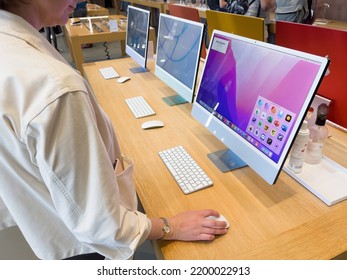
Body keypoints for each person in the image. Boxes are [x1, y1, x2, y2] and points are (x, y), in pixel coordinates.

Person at [0, 0, 228, 260]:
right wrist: (170, 226)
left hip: (44, 224)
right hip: (84, 248)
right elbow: (101, 224)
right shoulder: (53, 87)